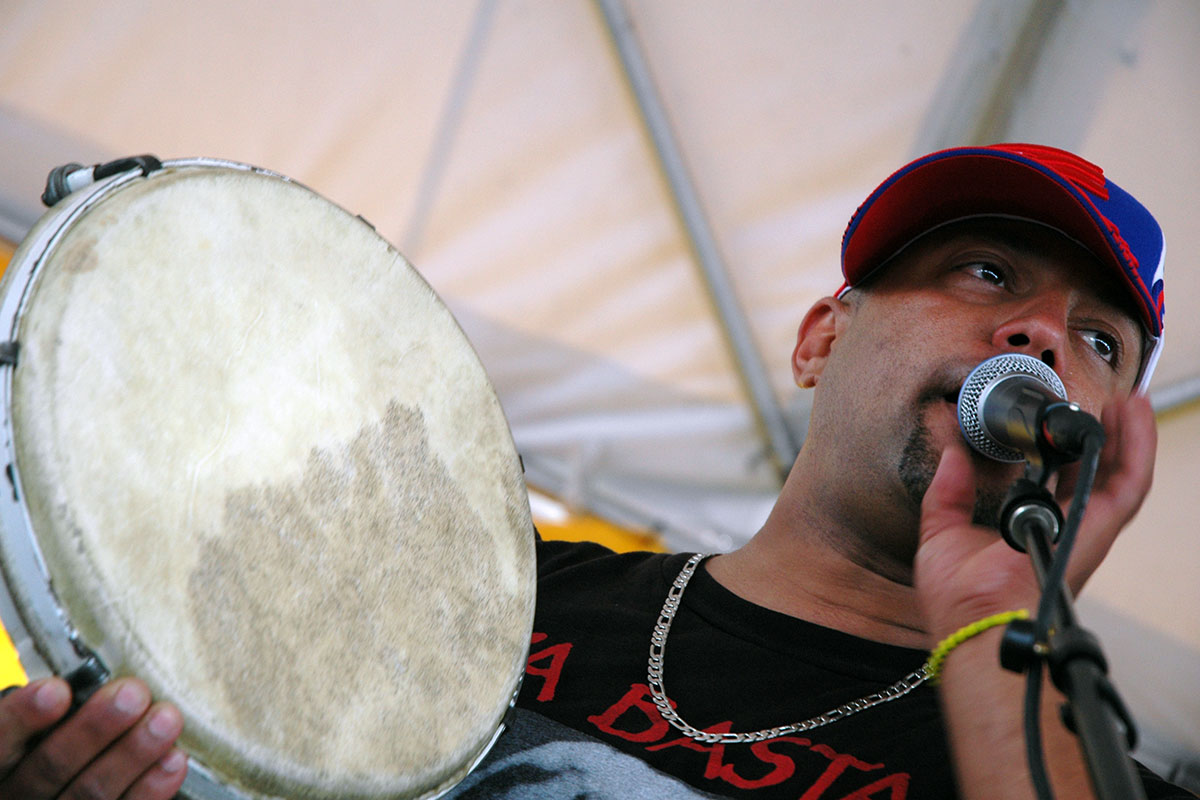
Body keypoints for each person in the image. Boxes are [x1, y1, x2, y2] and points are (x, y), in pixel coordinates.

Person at [0, 143, 1192, 800]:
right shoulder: (487, 598)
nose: (1043, 336)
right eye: (986, 273)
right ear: (822, 337)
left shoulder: (1082, 762)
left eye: (1102, 342)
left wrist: (997, 629)